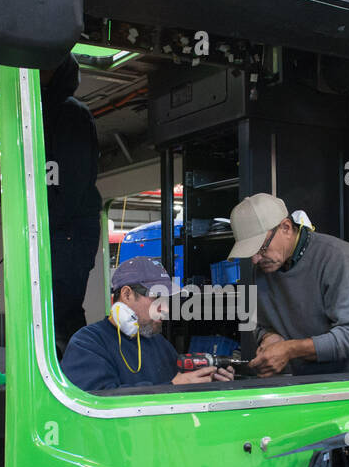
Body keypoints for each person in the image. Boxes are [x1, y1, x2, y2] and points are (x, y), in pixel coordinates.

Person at [227, 193, 349, 376]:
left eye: (261, 248)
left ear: (286, 228)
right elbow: (260, 323)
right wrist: (269, 337)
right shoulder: (265, 267)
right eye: (251, 254)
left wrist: (289, 349)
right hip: (308, 381)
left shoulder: (339, 259)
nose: (256, 259)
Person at [62, 256, 234, 392]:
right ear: (127, 294)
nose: (165, 308)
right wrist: (171, 388)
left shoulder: (160, 344)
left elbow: (181, 386)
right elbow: (98, 404)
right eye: (157, 297)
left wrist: (207, 382)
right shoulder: (88, 344)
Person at [41, 53, 102, 349]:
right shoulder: (41, 114)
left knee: (62, 310)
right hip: (63, 229)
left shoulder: (70, 113)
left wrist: (46, 223)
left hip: (70, 231)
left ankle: (76, 372)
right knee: (55, 312)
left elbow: (72, 181)